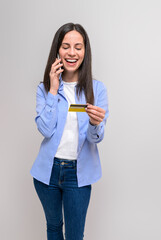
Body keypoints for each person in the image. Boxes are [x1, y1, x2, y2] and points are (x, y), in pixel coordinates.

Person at [30, 22, 109, 240]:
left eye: (78, 47)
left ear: (85, 51)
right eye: (65, 46)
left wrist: (95, 123)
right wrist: (53, 89)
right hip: (48, 173)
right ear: (57, 50)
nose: (72, 52)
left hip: (78, 174)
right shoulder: (44, 89)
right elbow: (45, 129)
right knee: (54, 228)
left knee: (75, 235)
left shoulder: (97, 89)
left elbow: (96, 137)